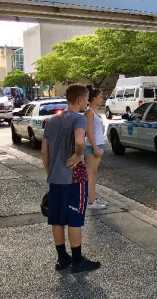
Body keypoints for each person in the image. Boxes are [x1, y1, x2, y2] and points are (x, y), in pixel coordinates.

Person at [41, 84, 101, 273]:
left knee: (56, 219)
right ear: (80, 100)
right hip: (74, 178)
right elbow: (80, 141)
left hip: (55, 177)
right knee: (75, 218)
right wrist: (77, 156)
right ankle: (77, 260)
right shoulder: (79, 119)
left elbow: (44, 152)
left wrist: (51, 170)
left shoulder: (51, 120)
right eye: (86, 98)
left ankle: (62, 259)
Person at [85, 86, 107, 210]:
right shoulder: (89, 112)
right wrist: (95, 148)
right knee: (91, 175)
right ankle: (91, 202)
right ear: (94, 99)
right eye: (100, 97)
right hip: (92, 146)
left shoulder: (93, 112)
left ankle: (93, 198)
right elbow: (88, 131)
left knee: (93, 174)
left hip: (97, 145)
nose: (102, 99)